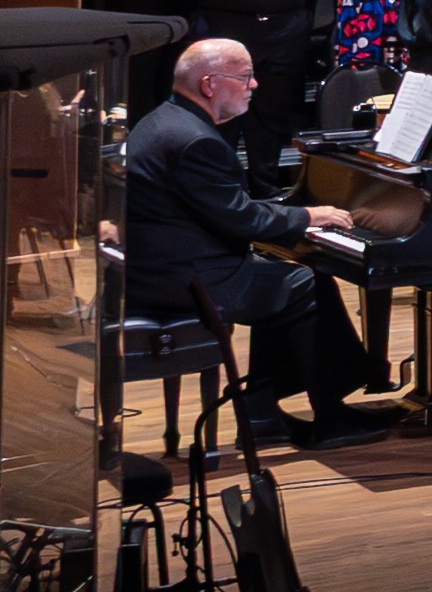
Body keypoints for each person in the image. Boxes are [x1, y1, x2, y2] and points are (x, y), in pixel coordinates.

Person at [112, 38, 407, 444]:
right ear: (210, 84)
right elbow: (241, 218)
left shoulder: (162, 120)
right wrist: (308, 215)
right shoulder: (195, 141)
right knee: (305, 283)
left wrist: (284, 224)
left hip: (155, 270)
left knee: (283, 280)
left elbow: (222, 208)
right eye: (246, 76)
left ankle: (262, 410)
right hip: (186, 281)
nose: (253, 85)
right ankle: (330, 418)